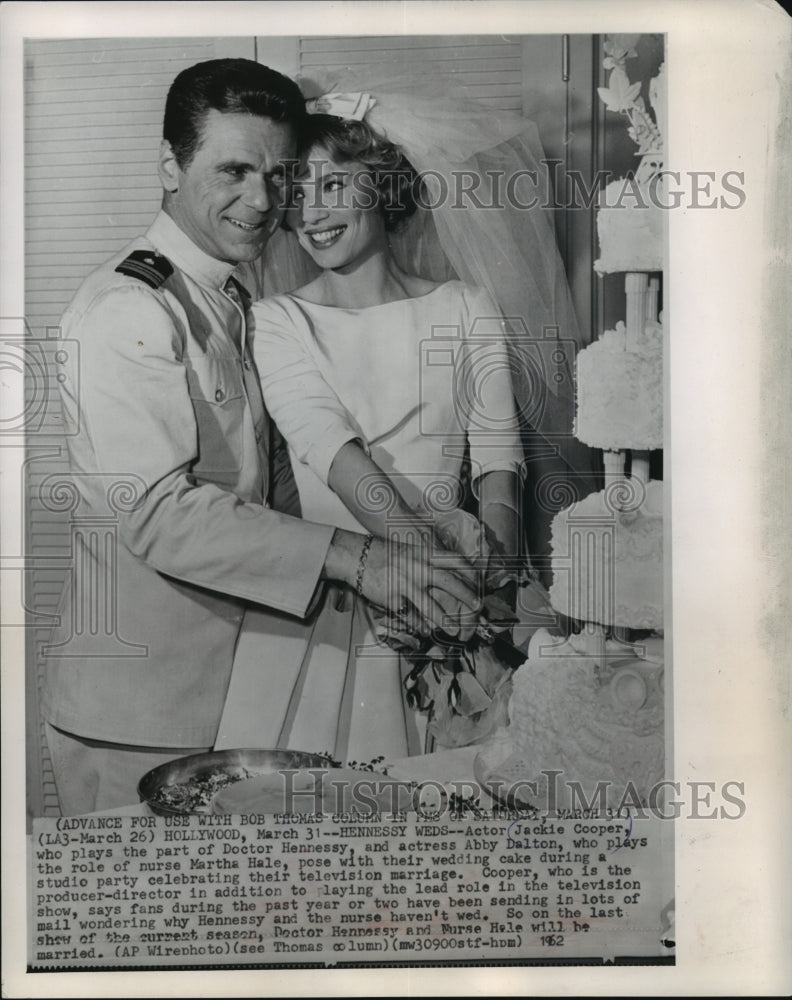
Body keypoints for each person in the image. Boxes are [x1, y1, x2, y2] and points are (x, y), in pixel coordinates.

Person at [40, 59, 480, 816]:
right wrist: (361, 560)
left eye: (278, 176)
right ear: (169, 167)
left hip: (232, 689)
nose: (264, 201)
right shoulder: (128, 309)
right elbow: (157, 515)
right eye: (234, 171)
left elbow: (264, 481)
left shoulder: (230, 297)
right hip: (138, 710)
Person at [234, 80, 587, 760]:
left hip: (471, 582)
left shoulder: (464, 305)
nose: (313, 213)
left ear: (384, 183)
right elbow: (337, 458)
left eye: (334, 185)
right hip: (341, 602)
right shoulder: (279, 321)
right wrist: (436, 580)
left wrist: (494, 580)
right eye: (297, 193)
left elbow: (496, 459)